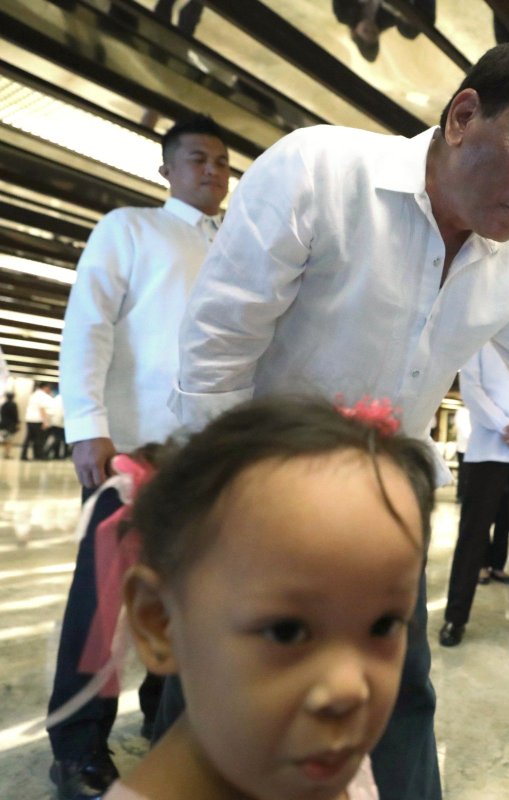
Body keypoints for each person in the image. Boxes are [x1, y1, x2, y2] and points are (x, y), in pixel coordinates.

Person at [169, 43, 509, 800]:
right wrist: (221, 518)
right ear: (464, 115)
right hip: (257, 506)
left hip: (377, 518)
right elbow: (216, 356)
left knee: (401, 705)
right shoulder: (321, 172)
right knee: (225, 713)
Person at [108, 397, 435, 800]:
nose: (350, 689)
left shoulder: (327, 762)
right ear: (160, 621)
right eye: (287, 631)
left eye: (385, 624)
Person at [46, 115, 229, 800]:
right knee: (104, 608)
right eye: (196, 159)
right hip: (129, 449)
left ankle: (168, 719)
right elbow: (87, 323)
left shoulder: (238, 249)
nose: (211, 171)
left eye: (221, 162)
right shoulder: (131, 228)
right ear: (167, 170)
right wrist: (87, 423)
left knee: (186, 598)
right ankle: (77, 748)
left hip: (207, 461)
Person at [439, 341, 509, 647]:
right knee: (472, 537)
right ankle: (455, 617)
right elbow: (472, 390)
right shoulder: (479, 338)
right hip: (487, 450)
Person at [22, 382, 54, 461]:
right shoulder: (43, 396)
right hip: (37, 420)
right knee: (38, 439)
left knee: (28, 438)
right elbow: (42, 409)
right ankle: (38, 456)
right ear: (45, 387)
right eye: (49, 388)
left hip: (29, 419)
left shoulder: (33, 394)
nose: (49, 390)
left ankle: (23, 455)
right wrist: (45, 422)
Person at [1, 391, 20, 459]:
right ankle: (7, 454)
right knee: (9, 440)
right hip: (10, 425)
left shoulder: (3, 405)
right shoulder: (13, 405)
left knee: (4, 439)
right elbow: (15, 415)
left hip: (3, 424)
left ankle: (5, 453)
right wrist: (17, 424)